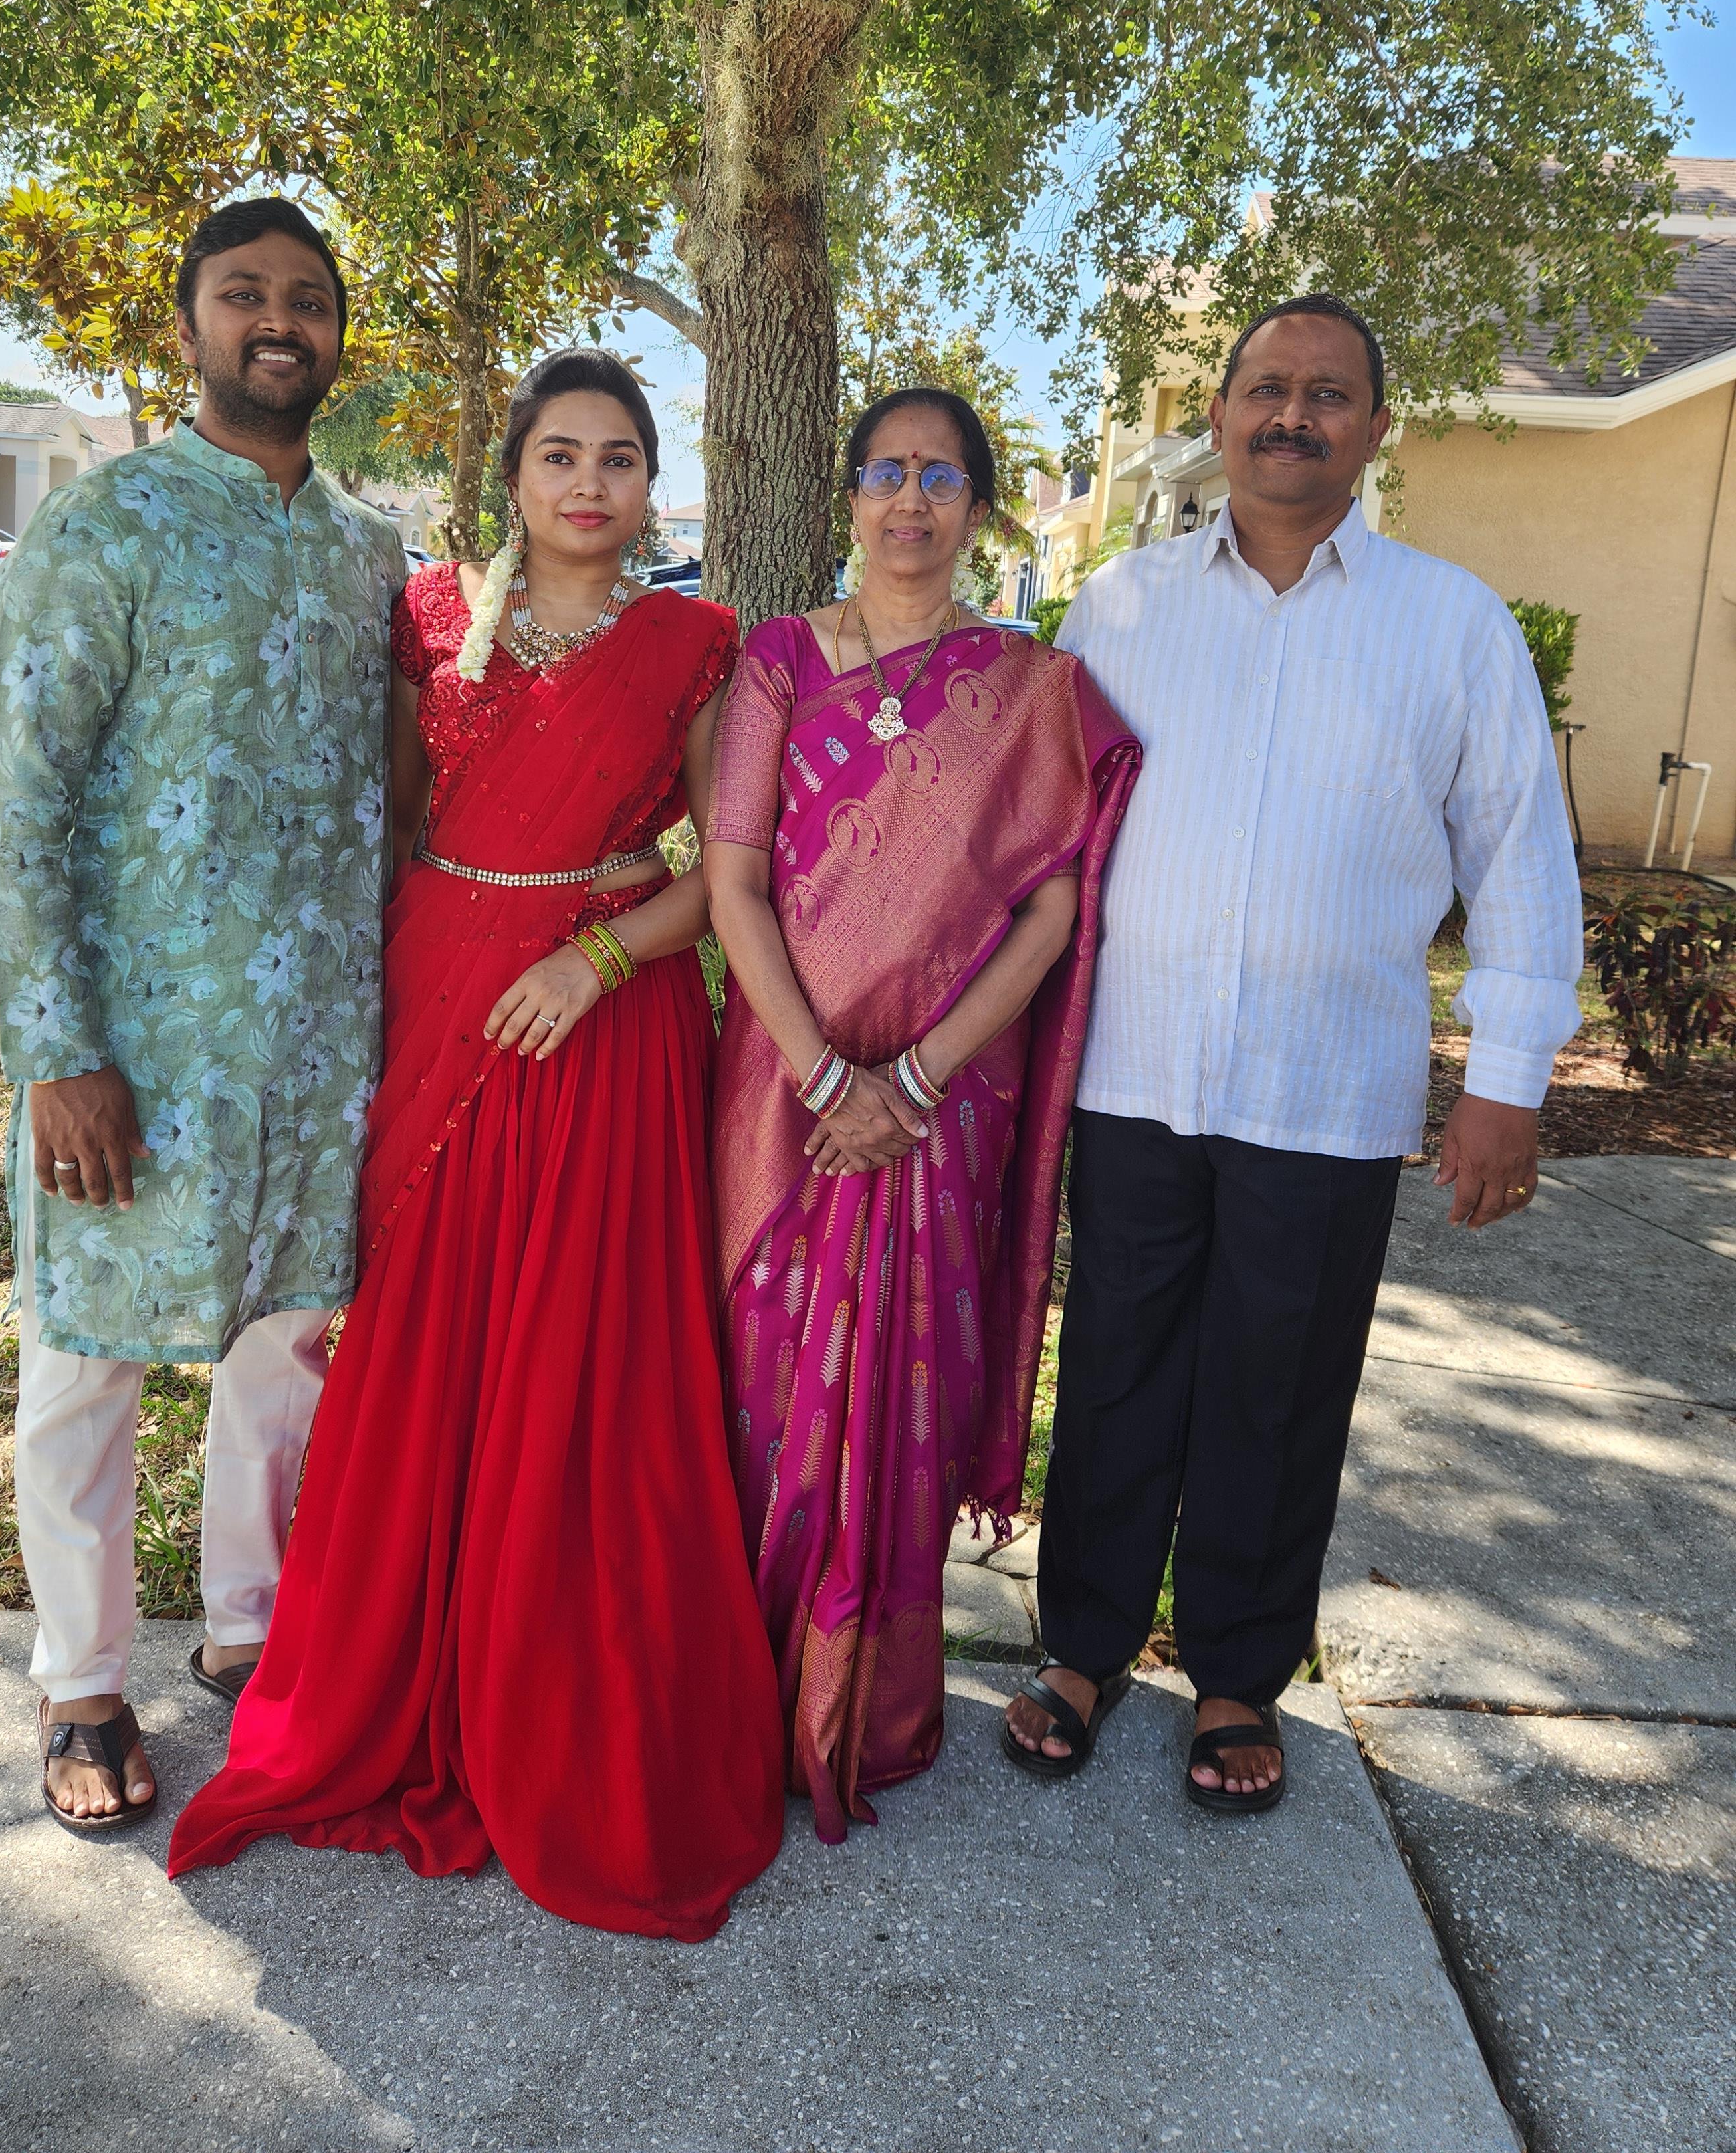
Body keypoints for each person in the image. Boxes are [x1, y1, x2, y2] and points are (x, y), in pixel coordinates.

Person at [169, 349, 785, 1940]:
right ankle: (397, 1658)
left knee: (575, 1357)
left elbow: (725, 874)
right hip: (438, 992)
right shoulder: (435, 615)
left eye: (623, 457)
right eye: (561, 453)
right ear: (512, 474)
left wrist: (596, 959)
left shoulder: (698, 642)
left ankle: (548, 1678)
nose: (591, 483)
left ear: (655, 485)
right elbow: (387, 817)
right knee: (421, 1338)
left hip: (601, 1017)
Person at [1007, 292, 1584, 1811]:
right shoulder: (1119, 605)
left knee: (1280, 1382)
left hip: (1330, 1090)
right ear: (1217, 416)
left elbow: (1522, 853)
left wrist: (1507, 1075)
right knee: (1121, 1360)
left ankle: (1241, 1673)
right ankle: (1081, 1644)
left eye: (1329, 394)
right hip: (1134, 1070)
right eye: (1266, 388)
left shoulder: (1448, 621)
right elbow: (1047, 843)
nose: (1292, 416)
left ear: (1376, 428)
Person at [0, 197, 404, 1833]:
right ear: (191, 326)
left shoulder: (372, 553)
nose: (277, 321)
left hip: (312, 1050)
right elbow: (22, 796)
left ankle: (249, 1623)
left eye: (306, 298)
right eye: (245, 295)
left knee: (282, 1342)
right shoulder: (109, 526)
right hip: (135, 1047)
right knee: (87, 1356)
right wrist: (58, 1052)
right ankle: (81, 1678)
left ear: (337, 335)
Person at [703, 387, 1140, 1841]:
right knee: (758, 1389)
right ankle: (736, 1688)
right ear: (848, 493)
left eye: (942, 477)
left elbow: (1055, 898)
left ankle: (872, 1697)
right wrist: (830, 1075)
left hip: (940, 1108)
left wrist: (922, 1073)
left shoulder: (1028, 688)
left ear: (980, 505)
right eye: (886, 472)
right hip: (783, 1091)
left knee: (899, 1391)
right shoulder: (776, 662)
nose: (911, 500)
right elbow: (737, 876)